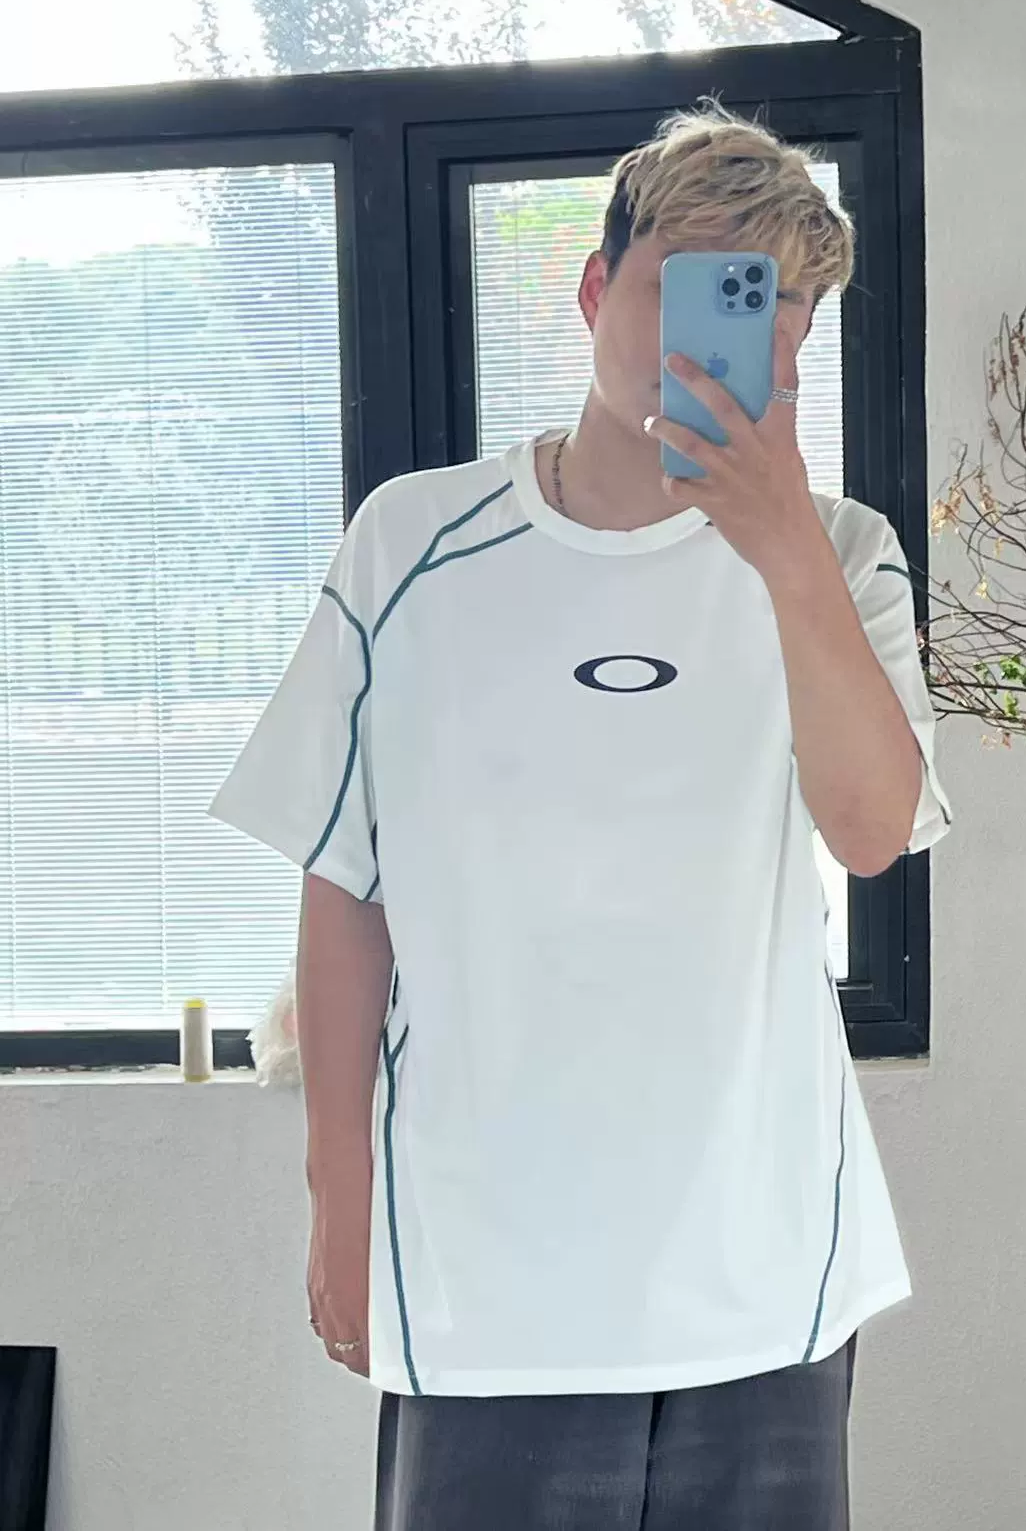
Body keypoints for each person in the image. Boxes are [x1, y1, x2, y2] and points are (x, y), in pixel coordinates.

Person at [208, 100, 951, 1530]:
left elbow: (871, 835)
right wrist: (337, 1200)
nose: (727, 333)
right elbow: (346, 889)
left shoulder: (843, 554)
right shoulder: (411, 544)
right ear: (597, 288)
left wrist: (783, 549)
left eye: (770, 304)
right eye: (688, 282)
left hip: (766, 1258)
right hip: (487, 1265)